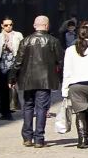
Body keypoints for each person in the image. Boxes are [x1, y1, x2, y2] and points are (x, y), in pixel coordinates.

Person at [14, 15, 64, 148]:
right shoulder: (53, 41)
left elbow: (18, 62)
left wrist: (12, 78)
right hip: (45, 80)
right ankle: (39, 138)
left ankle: (27, 137)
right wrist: (63, 80)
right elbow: (61, 62)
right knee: (42, 108)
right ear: (47, 26)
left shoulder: (25, 41)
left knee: (28, 106)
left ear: (34, 25)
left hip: (28, 79)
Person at [61, 22, 88, 149]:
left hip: (75, 85)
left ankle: (82, 139)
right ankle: (85, 137)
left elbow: (67, 71)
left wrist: (64, 90)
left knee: (80, 113)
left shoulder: (70, 50)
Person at [0, 17, 23, 120]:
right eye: (6, 25)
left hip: (14, 63)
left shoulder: (18, 35)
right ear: (2, 25)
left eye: (10, 24)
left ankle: (12, 107)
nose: (9, 27)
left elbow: (22, 49)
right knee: (2, 88)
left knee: (13, 87)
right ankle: (4, 111)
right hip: (2, 64)